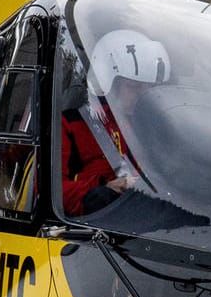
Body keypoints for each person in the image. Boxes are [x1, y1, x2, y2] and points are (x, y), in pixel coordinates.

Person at [60, 29, 167, 216]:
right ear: (106, 82)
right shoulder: (71, 124)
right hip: (99, 225)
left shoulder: (152, 125)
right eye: (133, 87)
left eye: (148, 89)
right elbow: (49, 191)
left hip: (151, 213)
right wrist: (105, 190)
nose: (142, 96)